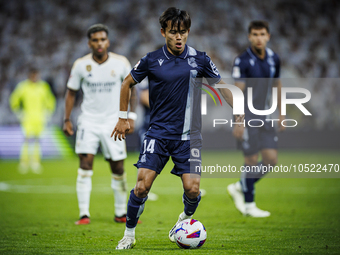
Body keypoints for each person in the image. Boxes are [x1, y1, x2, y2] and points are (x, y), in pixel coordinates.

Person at [112, 7, 238, 249]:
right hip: (157, 134)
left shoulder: (200, 59)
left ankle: (183, 220)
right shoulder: (151, 60)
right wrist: (123, 117)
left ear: (188, 32)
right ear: (163, 32)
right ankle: (128, 234)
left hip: (189, 138)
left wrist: (241, 112)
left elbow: (222, 86)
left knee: (193, 190)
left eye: (183, 32)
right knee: (141, 186)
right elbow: (127, 83)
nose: (178, 37)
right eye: (173, 32)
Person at [63, 24, 138, 225]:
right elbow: (71, 92)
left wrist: (131, 116)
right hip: (89, 120)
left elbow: (132, 89)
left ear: (108, 42)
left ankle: (121, 213)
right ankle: (84, 214)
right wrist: (67, 119)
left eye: (102, 39)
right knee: (85, 163)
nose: (99, 43)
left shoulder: (121, 62)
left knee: (118, 166)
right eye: (95, 40)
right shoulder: (80, 65)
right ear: (89, 43)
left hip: (114, 121)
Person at [227, 20, 285, 217]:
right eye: (255, 34)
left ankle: (239, 186)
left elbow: (277, 84)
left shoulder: (273, 58)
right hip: (248, 115)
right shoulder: (242, 60)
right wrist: (238, 120)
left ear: (268, 36)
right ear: (249, 37)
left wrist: (282, 112)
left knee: (271, 160)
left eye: (262, 34)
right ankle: (250, 205)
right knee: (251, 160)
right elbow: (238, 92)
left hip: (266, 115)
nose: (258, 38)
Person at [9, 67, 56, 174]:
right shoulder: (23, 87)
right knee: (26, 140)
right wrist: (18, 112)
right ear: (30, 76)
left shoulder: (43, 87)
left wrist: (48, 112)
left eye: (37, 75)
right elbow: (14, 99)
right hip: (27, 118)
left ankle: (35, 162)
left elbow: (50, 100)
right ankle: (24, 162)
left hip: (40, 118)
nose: (35, 77)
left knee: (37, 141)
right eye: (34, 75)